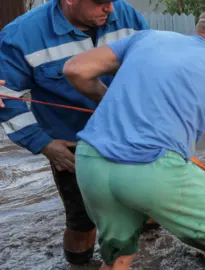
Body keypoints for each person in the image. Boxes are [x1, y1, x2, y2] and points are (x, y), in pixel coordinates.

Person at [62, 4, 205, 270]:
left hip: (91, 163)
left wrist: (104, 97)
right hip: (151, 169)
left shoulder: (148, 37)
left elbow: (75, 69)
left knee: (117, 257)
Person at [0, 0, 150, 265]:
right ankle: (79, 263)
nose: (111, 9)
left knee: (149, 201)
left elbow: (152, 66)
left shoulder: (127, 16)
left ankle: (149, 238)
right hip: (72, 146)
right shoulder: (21, 36)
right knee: (82, 221)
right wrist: (44, 144)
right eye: (101, 3)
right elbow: (6, 97)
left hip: (132, 134)